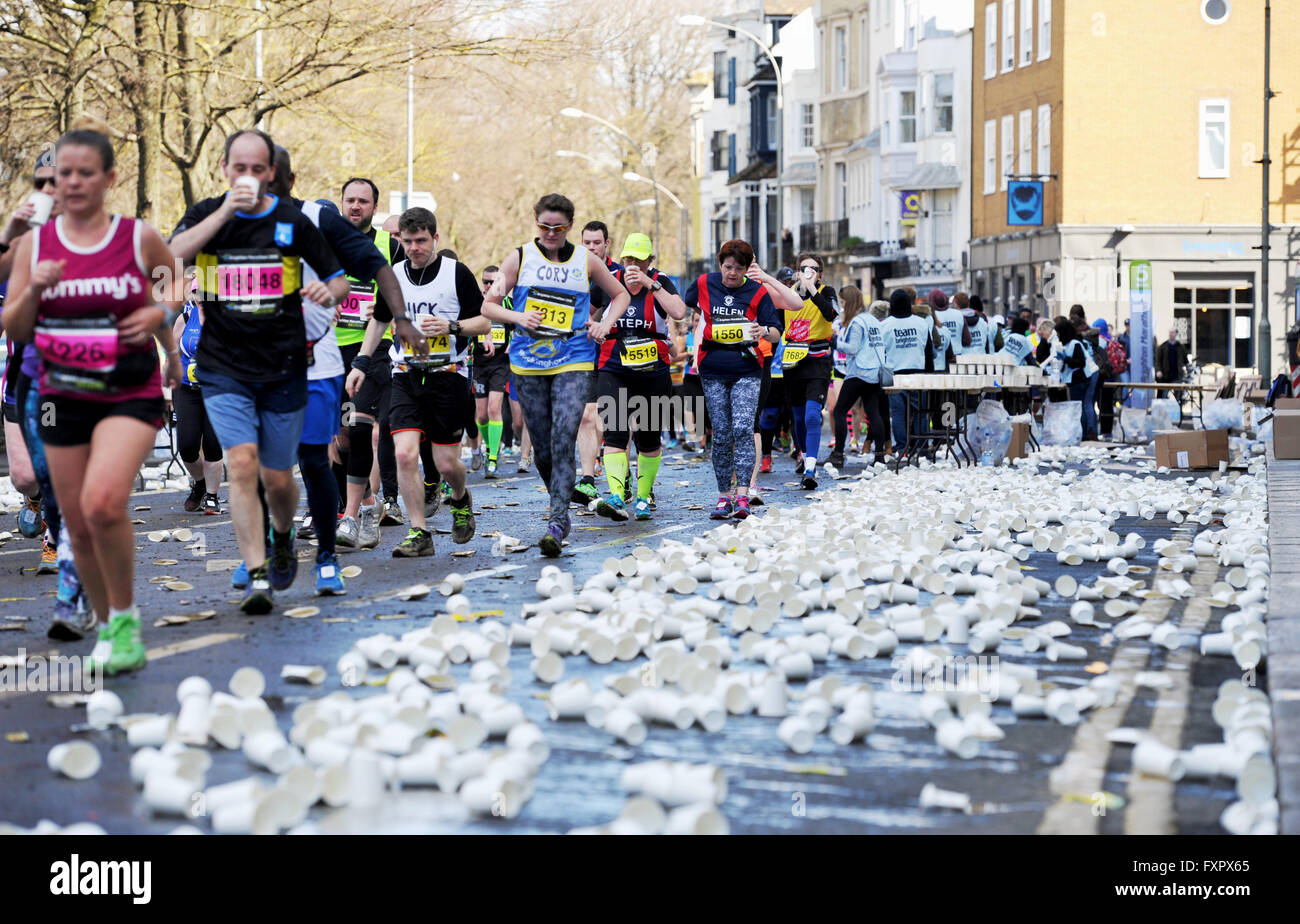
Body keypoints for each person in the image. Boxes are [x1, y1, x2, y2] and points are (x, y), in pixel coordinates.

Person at [2, 120, 185, 674]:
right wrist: (34, 286)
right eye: (64, 175)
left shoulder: (136, 236)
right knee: (78, 520)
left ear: (108, 178)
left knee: (104, 502)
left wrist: (158, 314)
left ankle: (125, 616)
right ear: (52, 183)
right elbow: (15, 328)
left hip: (128, 388)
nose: (74, 183)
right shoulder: (35, 245)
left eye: (85, 173)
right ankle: (108, 625)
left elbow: (173, 282)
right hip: (61, 390)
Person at [168, 129, 351, 614]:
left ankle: (284, 534)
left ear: (271, 173)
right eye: (238, 167)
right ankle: (255, 574)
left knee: (277, 478)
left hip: (284, 368)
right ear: (225, 169)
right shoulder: (207, 214)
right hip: (223, 368)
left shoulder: (291, 220)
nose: (247, 176)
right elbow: (169, 260)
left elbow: (338, 280)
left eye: (257, 169)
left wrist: (326, 294)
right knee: (242, 466)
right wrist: (227, 211)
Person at [481, 193, 628, 557]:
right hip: (529, 362)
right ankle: (567, 498)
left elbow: (621, 295)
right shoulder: (519, 257)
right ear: (536, 223)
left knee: (564, 438)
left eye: (558, 227)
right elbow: (487, 305)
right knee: (544, 449)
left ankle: (557, 520)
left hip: (573, 359)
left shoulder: (586, 260)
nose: (550, 233)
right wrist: (519, 318)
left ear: (570, 227)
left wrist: (603, 324)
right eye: (544, 226)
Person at [335, 177, 426, 538]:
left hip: (375, 351)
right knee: (339, 437)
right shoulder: (324, 244)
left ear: (374, 207)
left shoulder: (390, 246)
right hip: (331, 351)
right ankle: (369, 502)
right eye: (350, 200)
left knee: (360, 428)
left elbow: (417, 288)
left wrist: (392, 305)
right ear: (342, 203)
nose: (356, 206)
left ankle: (352, 515)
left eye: (363, 201)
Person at [683, 239, 784, 519]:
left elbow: (777, 331)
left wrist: (762, 330)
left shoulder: (757, 292)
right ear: (720, 264)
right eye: (728, 267)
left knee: (742, 428)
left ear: (746, 268)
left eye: (739, 269)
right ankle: (722, 497)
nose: (732, 273)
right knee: (722, 433)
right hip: (712, 368)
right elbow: (682, 307)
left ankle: (742, 494)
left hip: (747, 369)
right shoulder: (704, 283)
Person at [590, 233, 687, 521]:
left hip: (653, 370)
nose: (632, 265)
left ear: (650, 261)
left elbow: (679, 311)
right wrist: (593, 328)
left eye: (639, 261)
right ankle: (618, 495)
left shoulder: (660, 281)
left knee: (649, 438)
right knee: (615, 432)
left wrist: (650, 283)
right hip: (614, 366)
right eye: (628, 259)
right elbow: (589, 314)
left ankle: (643, 497)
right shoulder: (609, 280)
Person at [775, 253, 833, 489]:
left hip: (817, 362)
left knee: (811, 415)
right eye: (803, 268)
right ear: (797, 272)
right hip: (793, 363)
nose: (808, 272)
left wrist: (813, 290)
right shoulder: (787, 296)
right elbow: (776, 326)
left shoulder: (826, 292)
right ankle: (802, 452)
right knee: (798, 417)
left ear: (820, 273)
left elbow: (830, 314)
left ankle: (810, 467)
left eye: (814, 268)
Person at [573, 220, 620, 506]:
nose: (591, 247)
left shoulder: (618, 273)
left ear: (606, 244)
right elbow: (584, 313)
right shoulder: (574, 272)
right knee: (587, 415)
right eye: (586, 243)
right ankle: (588, 479)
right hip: (586, 355)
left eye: (596, 243)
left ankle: (623, 476)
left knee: (615, 421)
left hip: (618, 357)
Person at [171, 290, 223, 515]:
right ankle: (200, 483)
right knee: (187, 446)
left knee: (212, 444)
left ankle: (212, 496)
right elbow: (171, 352)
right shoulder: (184, 316)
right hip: (186, 389)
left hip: (217, 389)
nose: (199, 295)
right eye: (195, 291)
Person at [830, 286, 887, 466]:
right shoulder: (872, 320)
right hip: (875, 373)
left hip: (858, 373)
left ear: (849, 302)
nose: (842, 306)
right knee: (873, 413)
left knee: (839, 411)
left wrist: (834, 342)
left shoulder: (856, 323)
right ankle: (879, 455)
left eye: (843, 302)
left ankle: (838, 453)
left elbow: (852, 348)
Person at [882, 288, 935, 457]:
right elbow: (928, 352)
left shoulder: (884, 325)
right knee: (920, 413)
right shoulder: (921, 323)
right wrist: (929, 375)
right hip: (918, 373)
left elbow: (881, 353)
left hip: (894, 374)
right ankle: (923, 447)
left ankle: (902, 447)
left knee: (898, 414)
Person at [471, 264, 511, 478]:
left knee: (495, 408)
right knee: (482, 414)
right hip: (479, 364)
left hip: (500, 364)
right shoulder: (475, 303)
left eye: (493, 282)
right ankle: (489, 446)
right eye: (485, 281)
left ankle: (493, 457)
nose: (488, 285)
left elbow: (518, 327)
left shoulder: (507, 303)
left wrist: (513, 344)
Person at [1053, 318, 1098, 438]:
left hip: (1080, 380)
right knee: (1080, 406)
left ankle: (1084, 433)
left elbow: (1080, 362)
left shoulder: (1074, 344)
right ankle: (1083, 433)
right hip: (1074, 380)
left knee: (1080, 407)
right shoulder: (1067, 344)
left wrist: (1065, 358)